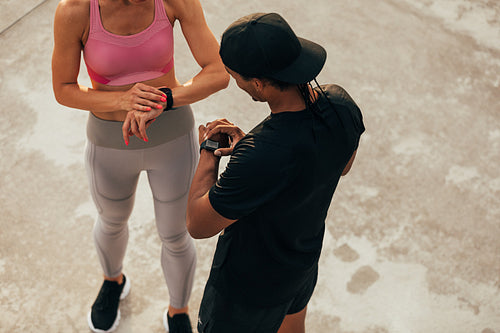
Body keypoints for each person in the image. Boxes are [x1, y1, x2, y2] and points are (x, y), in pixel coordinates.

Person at [51, 0, 229, 331]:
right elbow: (63, 88)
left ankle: (178, 311)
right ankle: (113, 281)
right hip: (109, 143)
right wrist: (120, 100)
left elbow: (218, 71)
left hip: (173, 137)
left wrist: (167, 98)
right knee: (111, 221)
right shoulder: (74, 10)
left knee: (176, 234)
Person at [186, 12, 365, 333]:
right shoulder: (341, 104)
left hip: (247, 289)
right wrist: (251, 156)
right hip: (301, 263)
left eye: (236, 76)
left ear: (258, 83)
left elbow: (197, 224)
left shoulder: (260, 156)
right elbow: (342, 165)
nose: (236, 82)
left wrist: (209, 151)